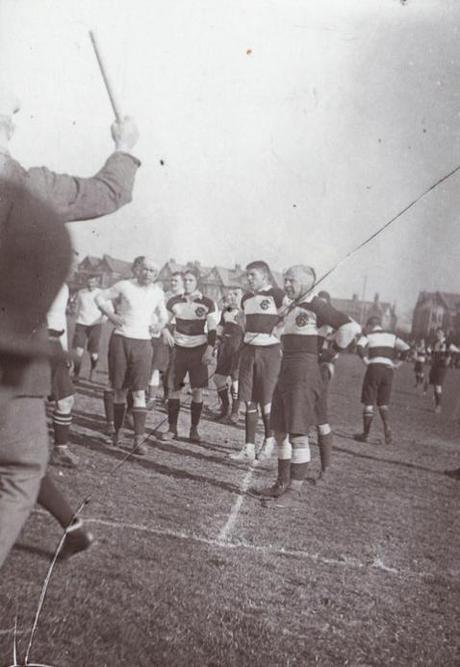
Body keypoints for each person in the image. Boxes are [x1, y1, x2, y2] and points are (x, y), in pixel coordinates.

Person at [0, 92, 141, 567]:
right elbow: (108, 192)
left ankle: (72, 527)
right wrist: (124, 146)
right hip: (13, 363)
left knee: (23, 467)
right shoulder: (29, 185)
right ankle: (71, 527)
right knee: (20, 469)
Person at [257, 266, 360, 500]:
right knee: (281, 430)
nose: (287, 285)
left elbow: (350, 327)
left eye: (291, 281)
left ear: (306, 283)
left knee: (297, 433)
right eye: (285, 280)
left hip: (304, 373)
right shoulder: (292, 306)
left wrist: (333, 350)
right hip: (286, 369)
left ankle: (294, 490)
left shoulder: (317, 306)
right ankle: (281, 483)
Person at [96, 258, 167, 455]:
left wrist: (160, 325)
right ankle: (116, 433)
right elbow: (100, 298)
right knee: (119, 389)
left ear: (156, 274)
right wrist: (111, 316)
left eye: (152, 271)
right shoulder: (124, 285)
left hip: (143, 343)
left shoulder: (158, 292)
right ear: (137, 269)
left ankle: (138, 439)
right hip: (121, 340)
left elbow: (164, 315)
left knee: (139, 392)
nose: (147, 273)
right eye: (144, 269)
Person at [230, 260, 288, 462]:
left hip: (269, 352)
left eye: (252, 275)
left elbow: (290, 313)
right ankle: (248, 447)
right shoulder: (246, 298)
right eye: (247, 275)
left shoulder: (277, 294)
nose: (248, 279)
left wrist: (279, 327)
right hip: (249, 350)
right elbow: (245, 323)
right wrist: (241, 323)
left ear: (265, 276)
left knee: (266, 399)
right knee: (249, 399)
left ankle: (269, 441)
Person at [161, 267, 217, 443]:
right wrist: (165, 331)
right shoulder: (173, 301)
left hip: (198, 350)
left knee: (197, 390)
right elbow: (163, 322)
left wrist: (209, 349)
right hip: (179, 349)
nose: (186, 283)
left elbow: (213, 329)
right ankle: (172, 429)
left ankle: (194, 429)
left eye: (190, 280)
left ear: (197, 282)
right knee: (174, 388)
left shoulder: (208, 302)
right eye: (185, 280)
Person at [354, 316, 410, 444]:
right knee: (383, 403)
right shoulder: (391, 335)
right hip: (388, 369)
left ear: (370, 325)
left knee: (369, 401)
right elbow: (406, 348)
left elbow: (359, 346)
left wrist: (366, 361)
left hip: (374, 367)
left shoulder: (368, 334)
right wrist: (398, 364)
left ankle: (366, 434)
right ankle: (387, 426)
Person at [211, 287, 244, 423]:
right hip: (225, 348)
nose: (232, 297)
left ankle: (235, 412)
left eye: (235, 294)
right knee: (218, 378)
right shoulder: (226, 311)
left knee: (235, 379)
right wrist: (216, 342)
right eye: (230, 294)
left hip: (238, 349)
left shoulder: (245, 312)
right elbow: (220, 327)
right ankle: (225, 408)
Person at [72, 275, 105, 382]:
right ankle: (76, 374)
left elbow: (109, 309)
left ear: (97, 282)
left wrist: (102, 320)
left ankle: (93, 369)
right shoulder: (81, 292)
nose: (91, 284)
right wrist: (76, 316)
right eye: (89, 282)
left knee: (93, 353)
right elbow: (77, 307)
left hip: (95, 325)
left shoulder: (101, 293)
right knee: (78, 351)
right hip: (81, 323)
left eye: (93, 282)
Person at [427, 328, 450, 414]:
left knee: (437, 385)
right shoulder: (435, 343)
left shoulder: (447, 344)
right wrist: (429, 354)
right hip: (434, 366)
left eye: (440, 333)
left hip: (441, 367)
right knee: (434, 385)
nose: (438, 334)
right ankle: (437, 404)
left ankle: (438, 406)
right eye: (437, 333)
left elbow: (456, 351)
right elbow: (430, 352)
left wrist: (448, 358)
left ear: (444, 334)